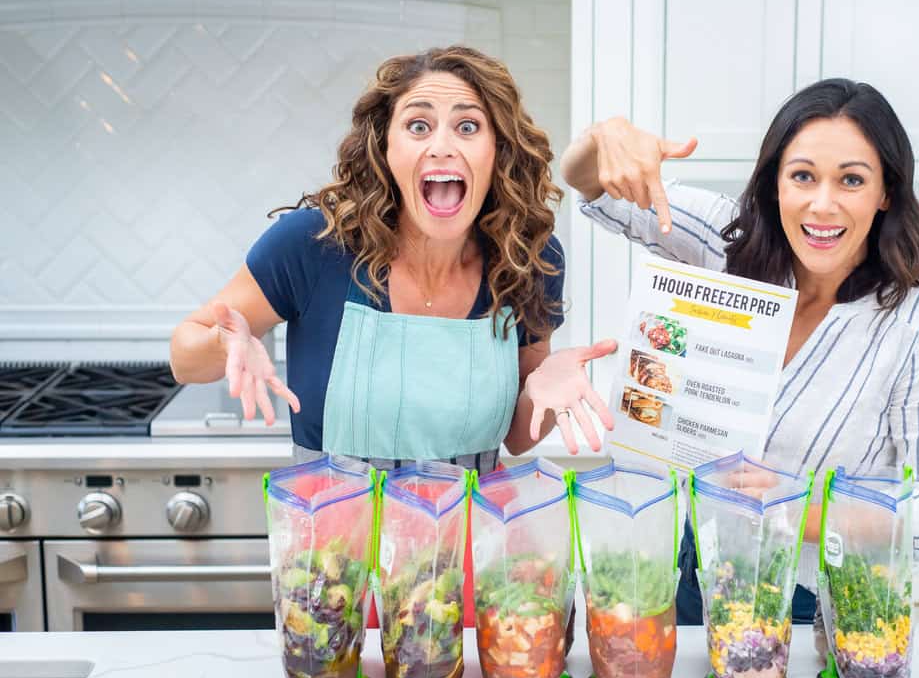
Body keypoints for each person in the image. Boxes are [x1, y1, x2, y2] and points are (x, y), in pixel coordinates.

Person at [561, 78, 919, 625]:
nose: (822, 205)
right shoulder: (726, 243)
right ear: (775, 182)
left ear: (886, 193)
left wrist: (801, 507)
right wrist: (605, 137)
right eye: (802, 176)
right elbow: (587, 182)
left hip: (827, 608)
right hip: (700, 571)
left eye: (851, 180)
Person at [170, 45, 615, 473]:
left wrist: (548, 385)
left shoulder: (528, 259)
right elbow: (183, 357)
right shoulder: (312, 245)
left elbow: (519, 436)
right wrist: (226, 344)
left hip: (469, 543)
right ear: (385, 148)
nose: (442, 146)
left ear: (497, 149)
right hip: (334, 547)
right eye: (419, 126)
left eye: (467, 127)